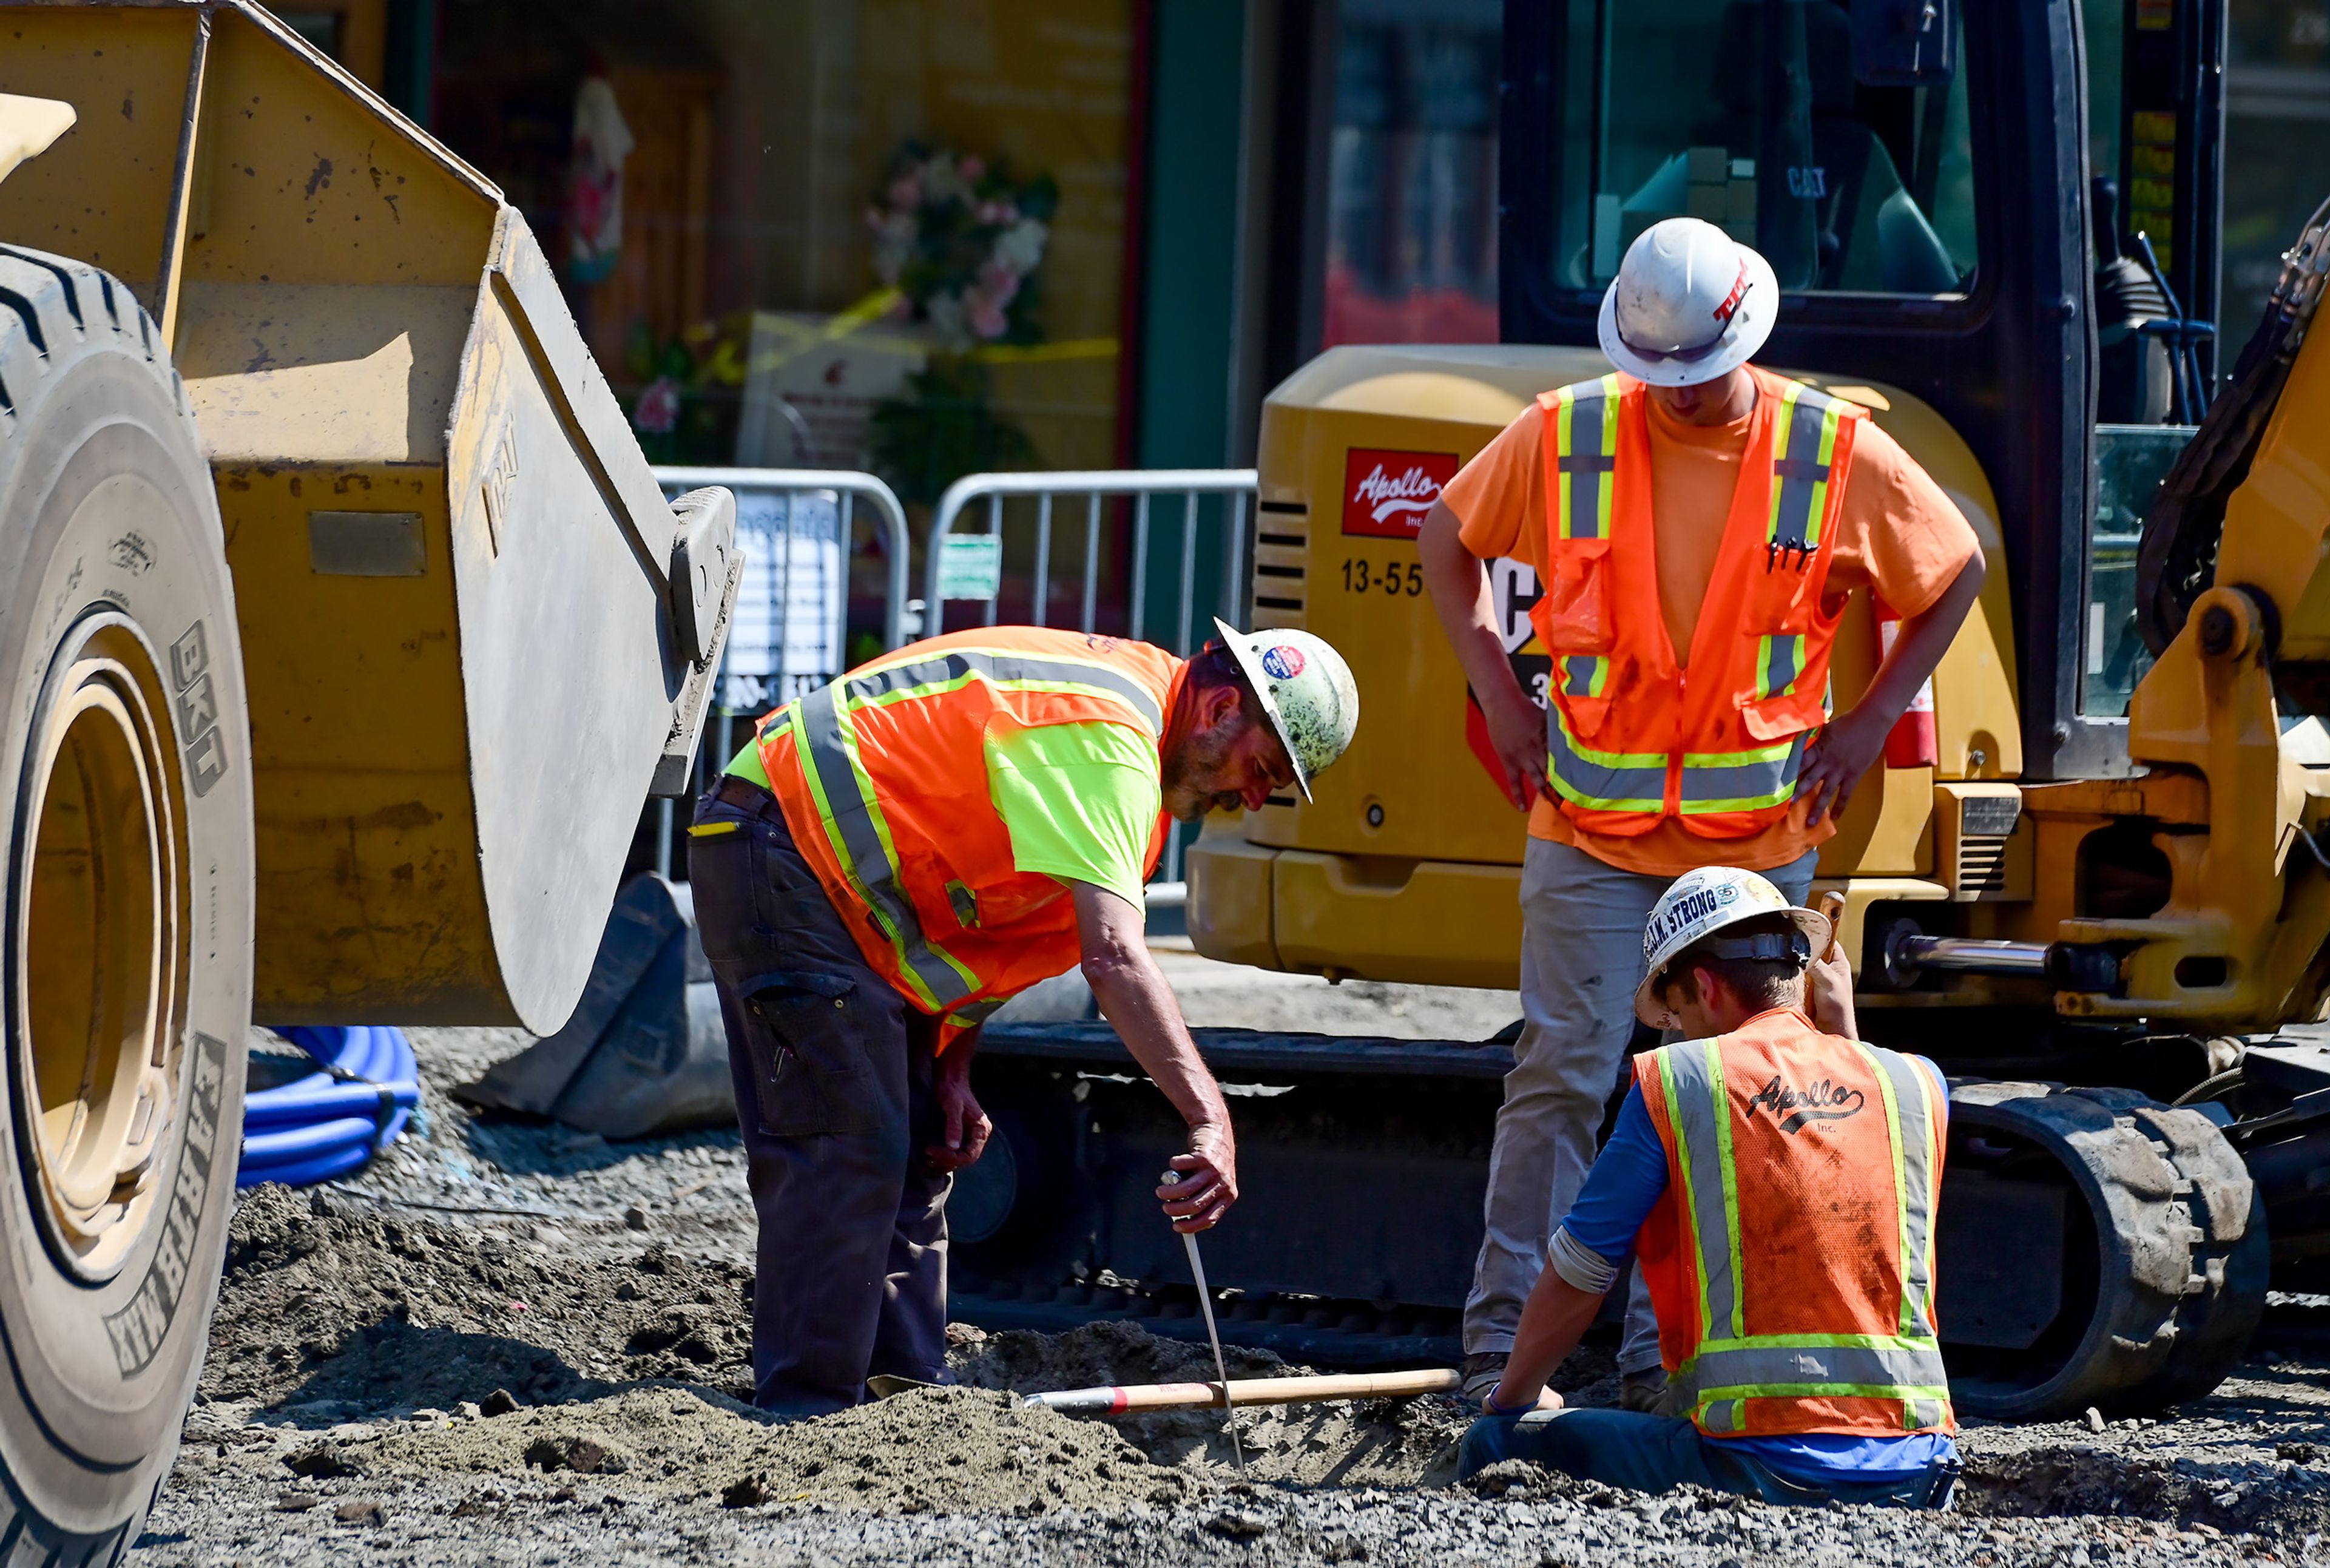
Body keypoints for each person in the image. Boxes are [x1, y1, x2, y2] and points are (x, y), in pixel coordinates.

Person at [1418, 215, 1985, 1409]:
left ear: (1747, 341)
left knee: (1721, 1099)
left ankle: (1661, 1365)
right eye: (1656, 374)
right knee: (1565, 1073)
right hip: (1588, 829)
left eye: (1697, 374)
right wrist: (1499, 696)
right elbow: (1446, 539)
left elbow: (1953, 568)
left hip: (1752, 849)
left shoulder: (1829, 451)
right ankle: (1497, 1361)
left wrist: (1873, 718)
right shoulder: (1569, 432)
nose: (1675, 397)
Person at [687, 620, 1359, 1416]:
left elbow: (990, 918)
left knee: (912, 1159)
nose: (1253, 797)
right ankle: (805, 1414)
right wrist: (1208, 1118)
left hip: (827, 881)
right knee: (851, 1149)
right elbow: (1113, 960)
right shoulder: (1112, 739)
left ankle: (898, 1412)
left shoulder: (1125, 743)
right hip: (782, 843)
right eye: (1265, 769)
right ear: (1220, 709)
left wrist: (953, 1060)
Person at [1457, 867, 1957, 1509]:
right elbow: (1855, 1190)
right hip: (1920, 1469)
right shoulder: (1915, 1085)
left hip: (1760, 1464)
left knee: (1495, 1444)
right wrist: (1843, 1035)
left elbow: (1581, 1268)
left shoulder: (1683, 1080)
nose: (1681, 1029)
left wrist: (1513, 1397)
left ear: (1703, 985)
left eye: (1678, 1010)